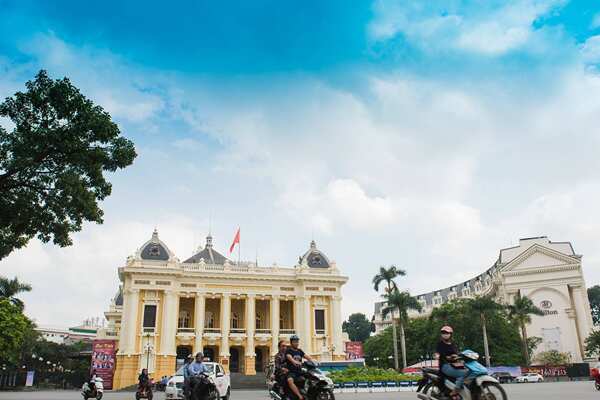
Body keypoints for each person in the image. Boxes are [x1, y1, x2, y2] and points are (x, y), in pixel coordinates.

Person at [435, 326, 467, 398]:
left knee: (468, 371)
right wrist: (445, 356)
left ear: (450, 334)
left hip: (455, 365)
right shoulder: (440, 344)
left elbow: (457, 353)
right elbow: (438, 353)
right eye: (443, 333)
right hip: (445, 365)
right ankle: (455, 391)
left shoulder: (453, 344)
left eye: (446, 333)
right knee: (463, 374)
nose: (445, 334)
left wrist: (457, 356)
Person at [285, 335, 314, 400]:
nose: (296, 343)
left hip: (300, 371)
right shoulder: (288, 350)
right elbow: (289, 357)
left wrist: (313, 360)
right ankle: (299, 395)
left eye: (297, 342)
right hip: (292, 371)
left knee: (312, 376)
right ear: (291, 343)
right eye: (295, 342)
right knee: (290, 380)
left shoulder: (299, 351)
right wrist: (293, 361)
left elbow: (306, 356)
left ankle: (310, 393)